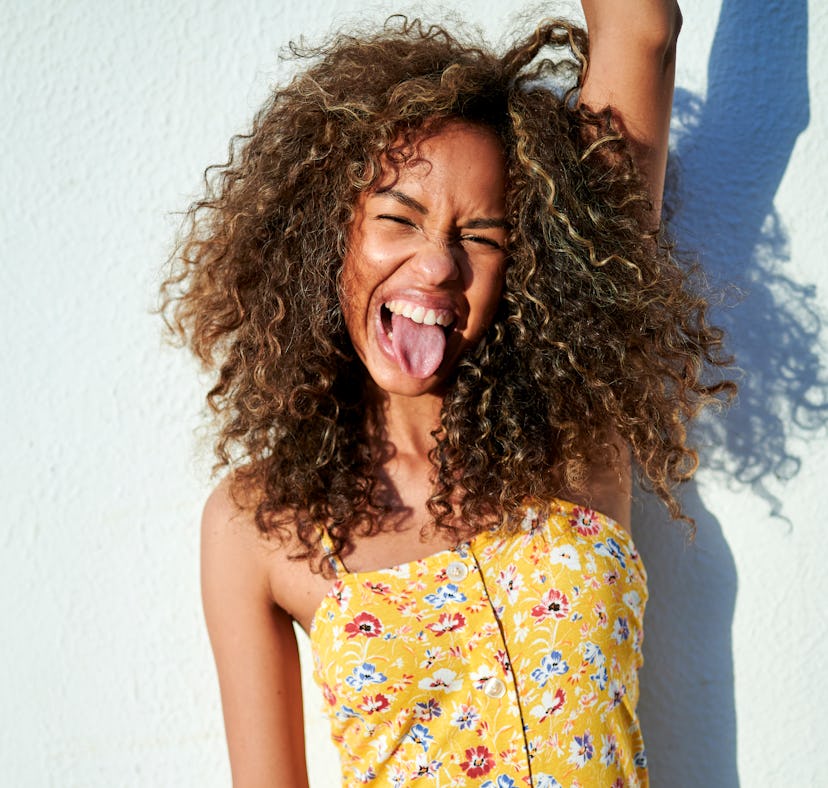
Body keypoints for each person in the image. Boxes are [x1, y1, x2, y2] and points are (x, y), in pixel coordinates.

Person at [161, 1, 732, 784]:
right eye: (399, 217)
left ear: (526, 269)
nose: (437, 266)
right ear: (330, 233)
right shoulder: (260, 524)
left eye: (482, 237)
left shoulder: (574, 425)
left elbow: (644, 29)